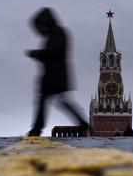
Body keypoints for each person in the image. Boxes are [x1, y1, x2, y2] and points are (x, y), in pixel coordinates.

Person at [25, 7, 88, 137]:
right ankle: (37, 129)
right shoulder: (55, 33)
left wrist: (36, 53)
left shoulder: (58, 33)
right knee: (55, 100)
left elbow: (53, 53)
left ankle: (37, 129)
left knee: (53, 100)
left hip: (56, 75)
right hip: (52, 76)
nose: (40, 30)